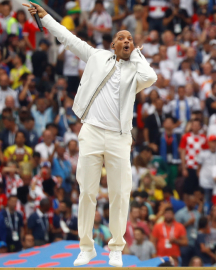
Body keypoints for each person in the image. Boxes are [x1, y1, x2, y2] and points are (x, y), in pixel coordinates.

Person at [23, 2, 157, 267]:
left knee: (121, 193)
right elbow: (68, 38)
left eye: (130, 39)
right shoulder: (97, 56)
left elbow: (151, 77)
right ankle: (86, 247)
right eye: (122, 38)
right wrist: (46, 17)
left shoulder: (136, 70)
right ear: (113, 44)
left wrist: (138, 54)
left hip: (120, 137)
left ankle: (116, 248)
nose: (126, 41)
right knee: (87, 192)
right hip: (92, 131)